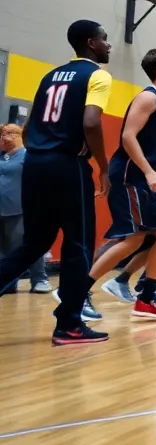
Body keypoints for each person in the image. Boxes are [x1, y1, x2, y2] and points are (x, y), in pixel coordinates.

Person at [0, 20, 113, 344]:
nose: (108, 46)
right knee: (78, 245)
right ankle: (70, 324)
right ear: (91, 43)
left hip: (35, 164)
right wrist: (102, 165)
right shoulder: (97, 75)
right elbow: (91, 121)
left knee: (34, 243)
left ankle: (69, 320)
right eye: (104, 40)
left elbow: (33, 121)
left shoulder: (50, 76)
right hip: (67, 166)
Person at [88, 48, 156, 321]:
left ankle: (145, 298)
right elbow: (128, 137)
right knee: (133, 238)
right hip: (132, 176)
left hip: (150, 177)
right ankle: (76, 292)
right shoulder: (148, 97)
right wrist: (148, 172)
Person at [0, 124, 50, 294]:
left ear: (16, 136)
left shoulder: (27, 155)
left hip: (21, 208)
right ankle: (8, 282)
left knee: (25, 246)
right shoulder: (2, 156)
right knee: (3, 249)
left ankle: (40, 279)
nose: (3, 137)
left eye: (6, 134)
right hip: (2, 209)